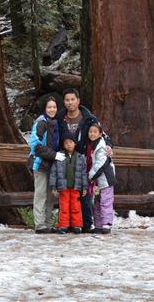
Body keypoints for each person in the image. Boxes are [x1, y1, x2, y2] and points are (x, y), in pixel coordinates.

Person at [57, 88, 99, 230]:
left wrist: (109, 145)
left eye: (72, 99)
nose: (70, 102)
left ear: (78, 101)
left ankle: (86, 224)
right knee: (66, 195)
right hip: (65, 160)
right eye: (67, 100)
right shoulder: (59, 117)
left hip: (83, 160)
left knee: (84, 193)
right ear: (64, 102)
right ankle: (66, 224)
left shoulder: (88, 118)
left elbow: (100, 134)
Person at [27, 96, 61, 233]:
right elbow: (36, 146)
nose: (52, 109)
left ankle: (48, 223)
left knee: (50, 195)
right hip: (40, 164)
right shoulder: (41, 123)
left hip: (52, 165)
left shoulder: (56, 123)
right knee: (41, 194)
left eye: (54, 107)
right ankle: (40, 224)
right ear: (44, 109)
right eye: (49, 107)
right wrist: (55, 155)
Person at [48, 135, 88, 233]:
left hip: (76, 187)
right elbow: (53, 172)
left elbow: (83, 173)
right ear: (63, 145)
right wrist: (53, 187)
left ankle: (76, 225)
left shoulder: (80, 157)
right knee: (64, 206)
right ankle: (63, 225)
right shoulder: (59, 156)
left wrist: (85, 187)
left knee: (76, 206)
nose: (69, 145)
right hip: (63, 187)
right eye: (66, 143)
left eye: (71, 142)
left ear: (75, 144)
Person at [85, 121, 115, 234]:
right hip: (97, 180)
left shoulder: (102, 146)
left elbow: (100, 164)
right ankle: (98, 225)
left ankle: (106, 224)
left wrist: (90, 176)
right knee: (97, 202)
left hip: (106, 178)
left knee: (105, 201)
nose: (92, 134)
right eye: (90, 131)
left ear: (100, 133)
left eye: (95, 132)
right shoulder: (93, 144)